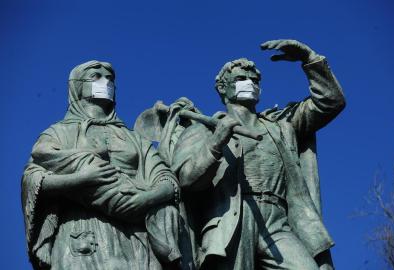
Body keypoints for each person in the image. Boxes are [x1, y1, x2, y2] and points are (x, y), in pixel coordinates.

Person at [171, 39, 346, 270]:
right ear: (223, 88)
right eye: (241, 79)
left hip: (278, 221)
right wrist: (215, 142)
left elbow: (331, 102)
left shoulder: (283, 125)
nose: (250, 83)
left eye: (255, 80)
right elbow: (186, 179)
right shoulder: (204, 129)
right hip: (230, 220)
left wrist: (310, 59)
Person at [22, 60, 181, 270]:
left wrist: (146, 198)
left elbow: (166, 178)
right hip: (81, 232)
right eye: (96, 77)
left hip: (137, 234)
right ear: (77, 86)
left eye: (110, 79)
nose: (105, 82)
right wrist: (80, 179)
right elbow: (32, 179)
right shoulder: (58, 132)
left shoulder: (134, 138)